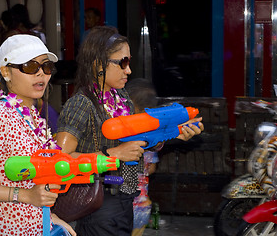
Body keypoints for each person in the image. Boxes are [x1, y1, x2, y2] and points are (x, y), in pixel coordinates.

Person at [55, 26, 204, 236]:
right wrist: (113, 155)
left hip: (125, 198)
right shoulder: (81, 104)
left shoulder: (122, 97)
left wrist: (173, 133)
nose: (129, 70)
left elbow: (139, 140)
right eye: (122, 63)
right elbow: (59, 162)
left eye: (129, 62)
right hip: (98, 203)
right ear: (98, 63)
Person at [0, 35, 76, 236]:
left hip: (38, 227)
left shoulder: (32, 116)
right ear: (5, 71)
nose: (41, 75)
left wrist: (50, 217)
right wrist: (25, 196)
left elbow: (34, 185)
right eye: (29, 67)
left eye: (46, 67)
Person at [125, 78, 161, 236]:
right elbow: (152, 168)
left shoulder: (125, 138)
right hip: (143, 206)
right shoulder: (152, 138)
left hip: (125, 205)